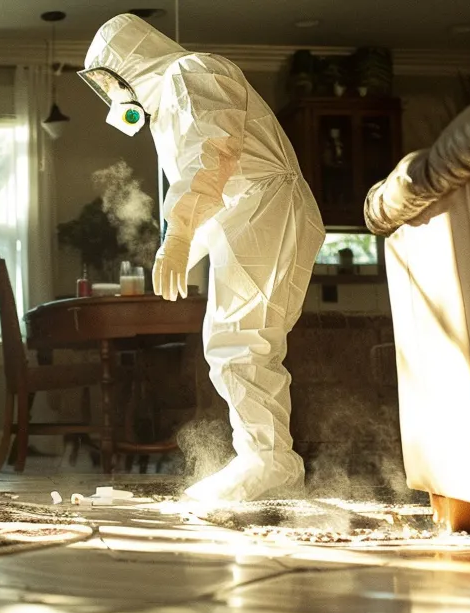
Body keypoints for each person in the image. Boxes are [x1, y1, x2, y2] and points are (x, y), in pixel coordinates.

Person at [79, 14, 324, 502]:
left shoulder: (190, 72)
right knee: (242, 338)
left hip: (265, 208)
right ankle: (268, 461)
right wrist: (184, 243)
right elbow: (217, 178)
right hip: (255, 211)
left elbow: (213, 154)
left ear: (127, 63)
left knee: (239, 337)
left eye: (110, 81)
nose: (113, 96)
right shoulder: (174, 93)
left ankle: (269, 462)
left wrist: (180, 235)